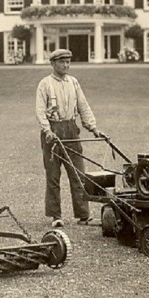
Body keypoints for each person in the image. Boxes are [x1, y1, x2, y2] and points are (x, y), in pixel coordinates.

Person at [35, 48, 102, 228]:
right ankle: (56, 215)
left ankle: (83, 215)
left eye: (68, 62)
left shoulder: (73, 82)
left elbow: (83, 106)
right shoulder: (45, 84)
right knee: (53, 175)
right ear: (53, 63)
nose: (66, 65)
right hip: (53, 132)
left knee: (79, 174)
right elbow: (40, 111)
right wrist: (47, 130)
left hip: (72, 130)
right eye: (62, 62)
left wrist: (93, 127)